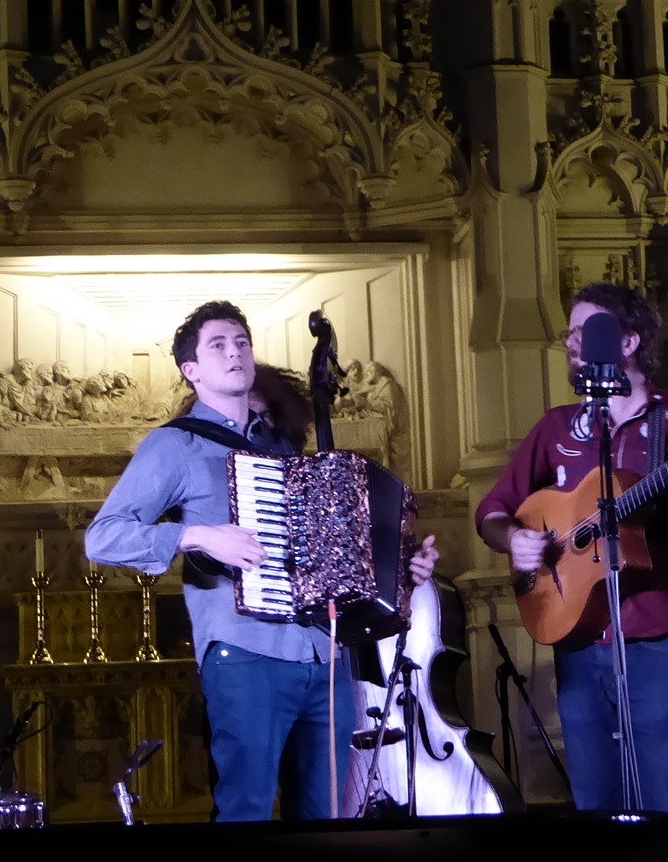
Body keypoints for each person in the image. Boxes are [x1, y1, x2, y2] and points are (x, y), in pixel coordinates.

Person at [85, 301, 437, 822]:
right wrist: (200, 536)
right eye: (218, 345)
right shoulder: (175, 445)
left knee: (326, 817)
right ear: (191, 370)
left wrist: (403, 567)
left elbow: (335, 552)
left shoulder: (286, 450)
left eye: (242, 342)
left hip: (324, 655)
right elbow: (103, 538)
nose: (235, 353)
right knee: (246, 810)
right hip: (246, 651)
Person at [476, 282, 668, 862]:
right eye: (571, 333)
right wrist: (516, 540)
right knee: (595, 811)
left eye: (587, 332)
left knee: (664, 805)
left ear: (629, 341)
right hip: (578, 637)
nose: (572, 344)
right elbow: (494, 510)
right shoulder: (558, 427)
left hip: (658, 633)